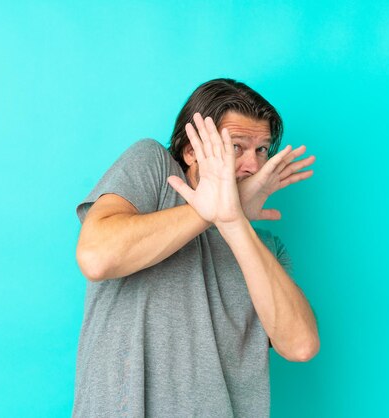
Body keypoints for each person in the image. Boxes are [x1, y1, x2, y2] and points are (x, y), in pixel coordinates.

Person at [73, 78, 320, 417]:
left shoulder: (264, 248)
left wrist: (232, 223)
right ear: (191, 150)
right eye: (237, 146)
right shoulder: (156, 169)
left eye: (262, 149)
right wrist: (208, 212)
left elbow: (301, 346)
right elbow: (96, 257)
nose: (254, 165)